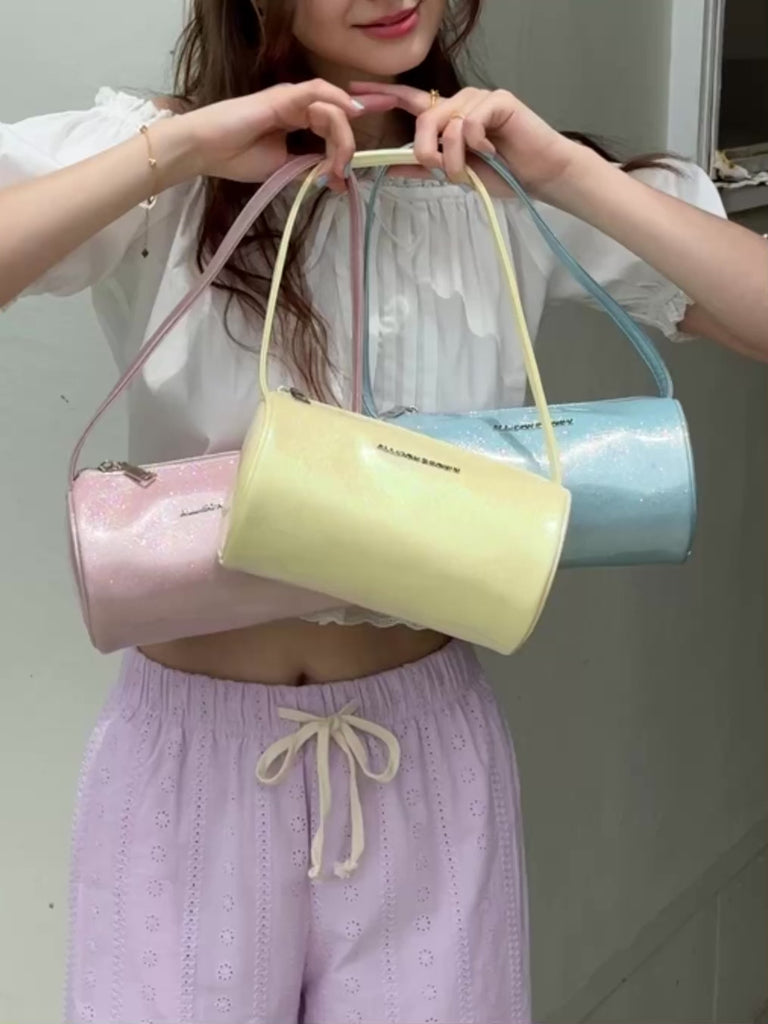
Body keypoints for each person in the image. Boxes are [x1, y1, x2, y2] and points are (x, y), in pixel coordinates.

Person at [2, 1, 767, 1022]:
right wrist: (181, 149)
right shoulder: (171, 168)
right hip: (188, 761)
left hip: (422, 756)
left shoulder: (498, 181)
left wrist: (563, 174)